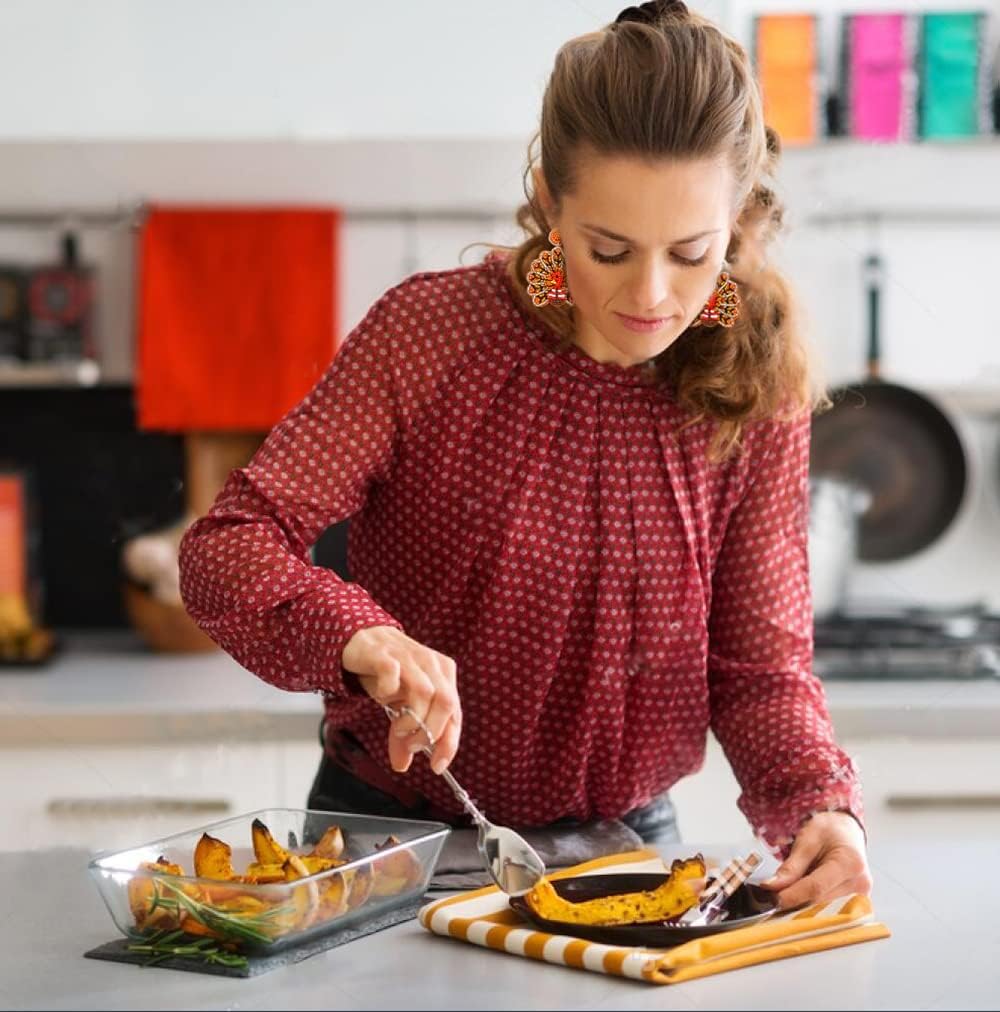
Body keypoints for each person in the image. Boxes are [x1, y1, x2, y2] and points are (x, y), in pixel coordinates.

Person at [179, 0, 871, 909]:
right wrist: (355, 630)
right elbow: (229, 544)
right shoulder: (431, 335)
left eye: (692, 252)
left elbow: (759, 669)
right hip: (392, 845)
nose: (652, 296)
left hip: (632, 852)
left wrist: (820, 806)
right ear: (550, 201)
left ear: (735, 220)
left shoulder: (755, 386)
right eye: (609, 248)